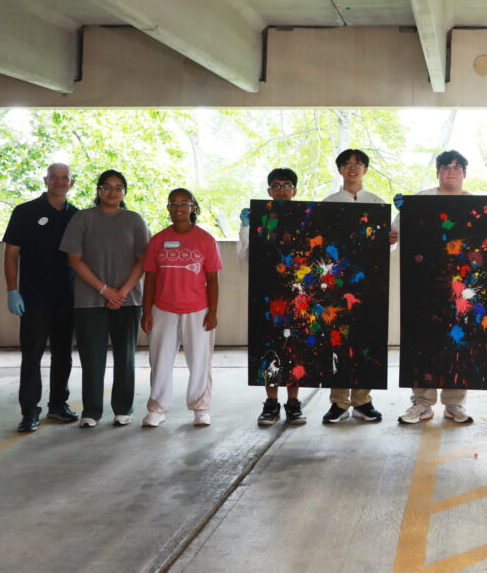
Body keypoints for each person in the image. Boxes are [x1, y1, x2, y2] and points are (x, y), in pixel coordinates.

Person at [59, 170, 149, 428]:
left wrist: (121, 292)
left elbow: (143, 261)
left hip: (128, 301)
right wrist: (105, 290)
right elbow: (74, 259)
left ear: (125, 193)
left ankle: (123, 408)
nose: (112, 192)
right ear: (98, 190)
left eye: (119, 187)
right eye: (107, 187)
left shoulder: (134, 220)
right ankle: (92, 411)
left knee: (126, 357)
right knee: (92, 358)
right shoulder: (82, 218)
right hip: (89, 301)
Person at [394, 150, 474, 425]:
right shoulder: (420, 200)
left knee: (458, 339)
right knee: (424, 340)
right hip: (424, 285)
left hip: (462, 286)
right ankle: (422, 402)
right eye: (445, 167)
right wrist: (390, 234)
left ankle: (454, 403)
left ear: (465, 172)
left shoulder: (476, 204)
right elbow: (395, 233)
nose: (451, 171)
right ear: (438, 171)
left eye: (457, 166)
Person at [3, 163, 80, 432]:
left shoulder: (77, 216)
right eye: (54, 177)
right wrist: (13, 290)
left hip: (67, 299)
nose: (59, 182)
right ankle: (29, 412)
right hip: (34, 299)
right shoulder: (25, 212)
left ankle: (58, 406)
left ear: (72, 183)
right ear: (46, 180)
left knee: (63, 355)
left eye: (65, 178)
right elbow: (11, 254)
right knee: (32, 356)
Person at [141, 188, 222, 428]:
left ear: (193, 207)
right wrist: (146, 311)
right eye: (173, 204)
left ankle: (200, 408)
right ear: (168, 208)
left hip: (198, 310)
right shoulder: (158, 240)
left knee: (199, 360)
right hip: (163, 309)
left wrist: (213, 312)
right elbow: (151, 278)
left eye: (183, 203)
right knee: (160, 360)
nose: (178, 208)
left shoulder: (205, 239)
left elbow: (213, 279)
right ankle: (157, 409)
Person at [318, 148, 386, 424]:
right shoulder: (329, 202)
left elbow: (384, 252)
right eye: (347, 164)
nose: (352, 169)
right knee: (336, 339)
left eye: (358, 164)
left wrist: (388, 241)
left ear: (366, 169)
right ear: (340, 170)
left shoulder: (377, 203)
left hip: (368, 284)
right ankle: (338, 401)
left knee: (365, 339)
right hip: (335, 283)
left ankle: (362, 400)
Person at [238, 168, 306, 426]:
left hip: (298, 297)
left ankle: (293, 403)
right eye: (275, 185)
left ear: (295, 190)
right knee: (269, 350)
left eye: (286, 185)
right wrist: (246, 227)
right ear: (268, 190)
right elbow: (244, 257)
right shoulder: (259, 217)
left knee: (295, 349)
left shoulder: (305, 217)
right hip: (267, 298)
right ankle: (271, 403)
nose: (281, 189)